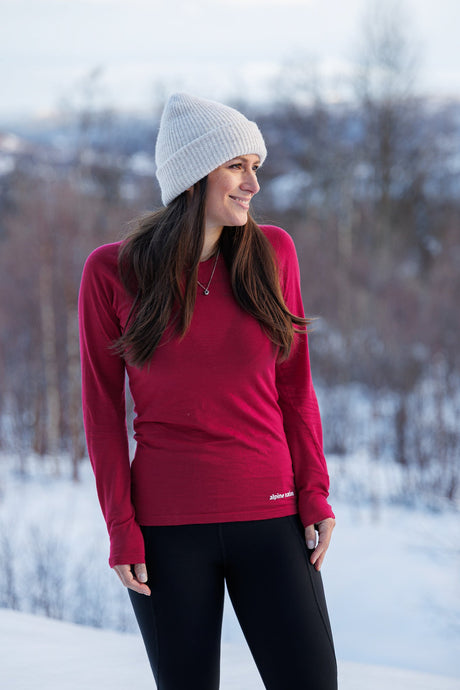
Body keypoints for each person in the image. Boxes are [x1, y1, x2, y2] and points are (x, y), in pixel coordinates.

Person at [78, 92, 337, 690]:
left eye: (256, 167)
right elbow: (100, 410)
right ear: (194, 176)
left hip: (272, 516)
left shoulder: (273, 253)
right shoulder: (112, 271)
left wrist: (315, 492)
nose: (253, 184)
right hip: (166, 532)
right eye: (237, 166)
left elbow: (296, 389)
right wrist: (120, 525)